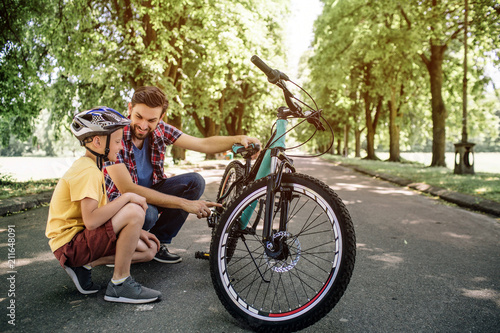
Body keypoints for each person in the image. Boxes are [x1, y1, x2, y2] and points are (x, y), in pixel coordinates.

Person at [104, 86, 261, 263]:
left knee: (195, 181)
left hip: (149, 192)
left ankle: (157, 243)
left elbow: (203, 144)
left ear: (160, 118)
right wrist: (185, 204)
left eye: (151, 120)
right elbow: (128, 189)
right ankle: (119, 247)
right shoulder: (115, 135)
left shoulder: (161, 129)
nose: (143, 125)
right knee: (149, 213)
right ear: (130, 109)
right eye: (138, 116)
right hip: (123, 203)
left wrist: (238, 139)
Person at [46, 106, 161, 304]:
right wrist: (127, 197)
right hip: (70, 245)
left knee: (148, 249)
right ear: (98, 141)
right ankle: (120, 284)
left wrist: (138, 233)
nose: (121, 147)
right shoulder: (87, 171)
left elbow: (101, 217)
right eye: (117, 141)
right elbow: (91, 221)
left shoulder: (94, 168)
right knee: (133, 211)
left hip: (78, 243)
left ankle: (82, 265)